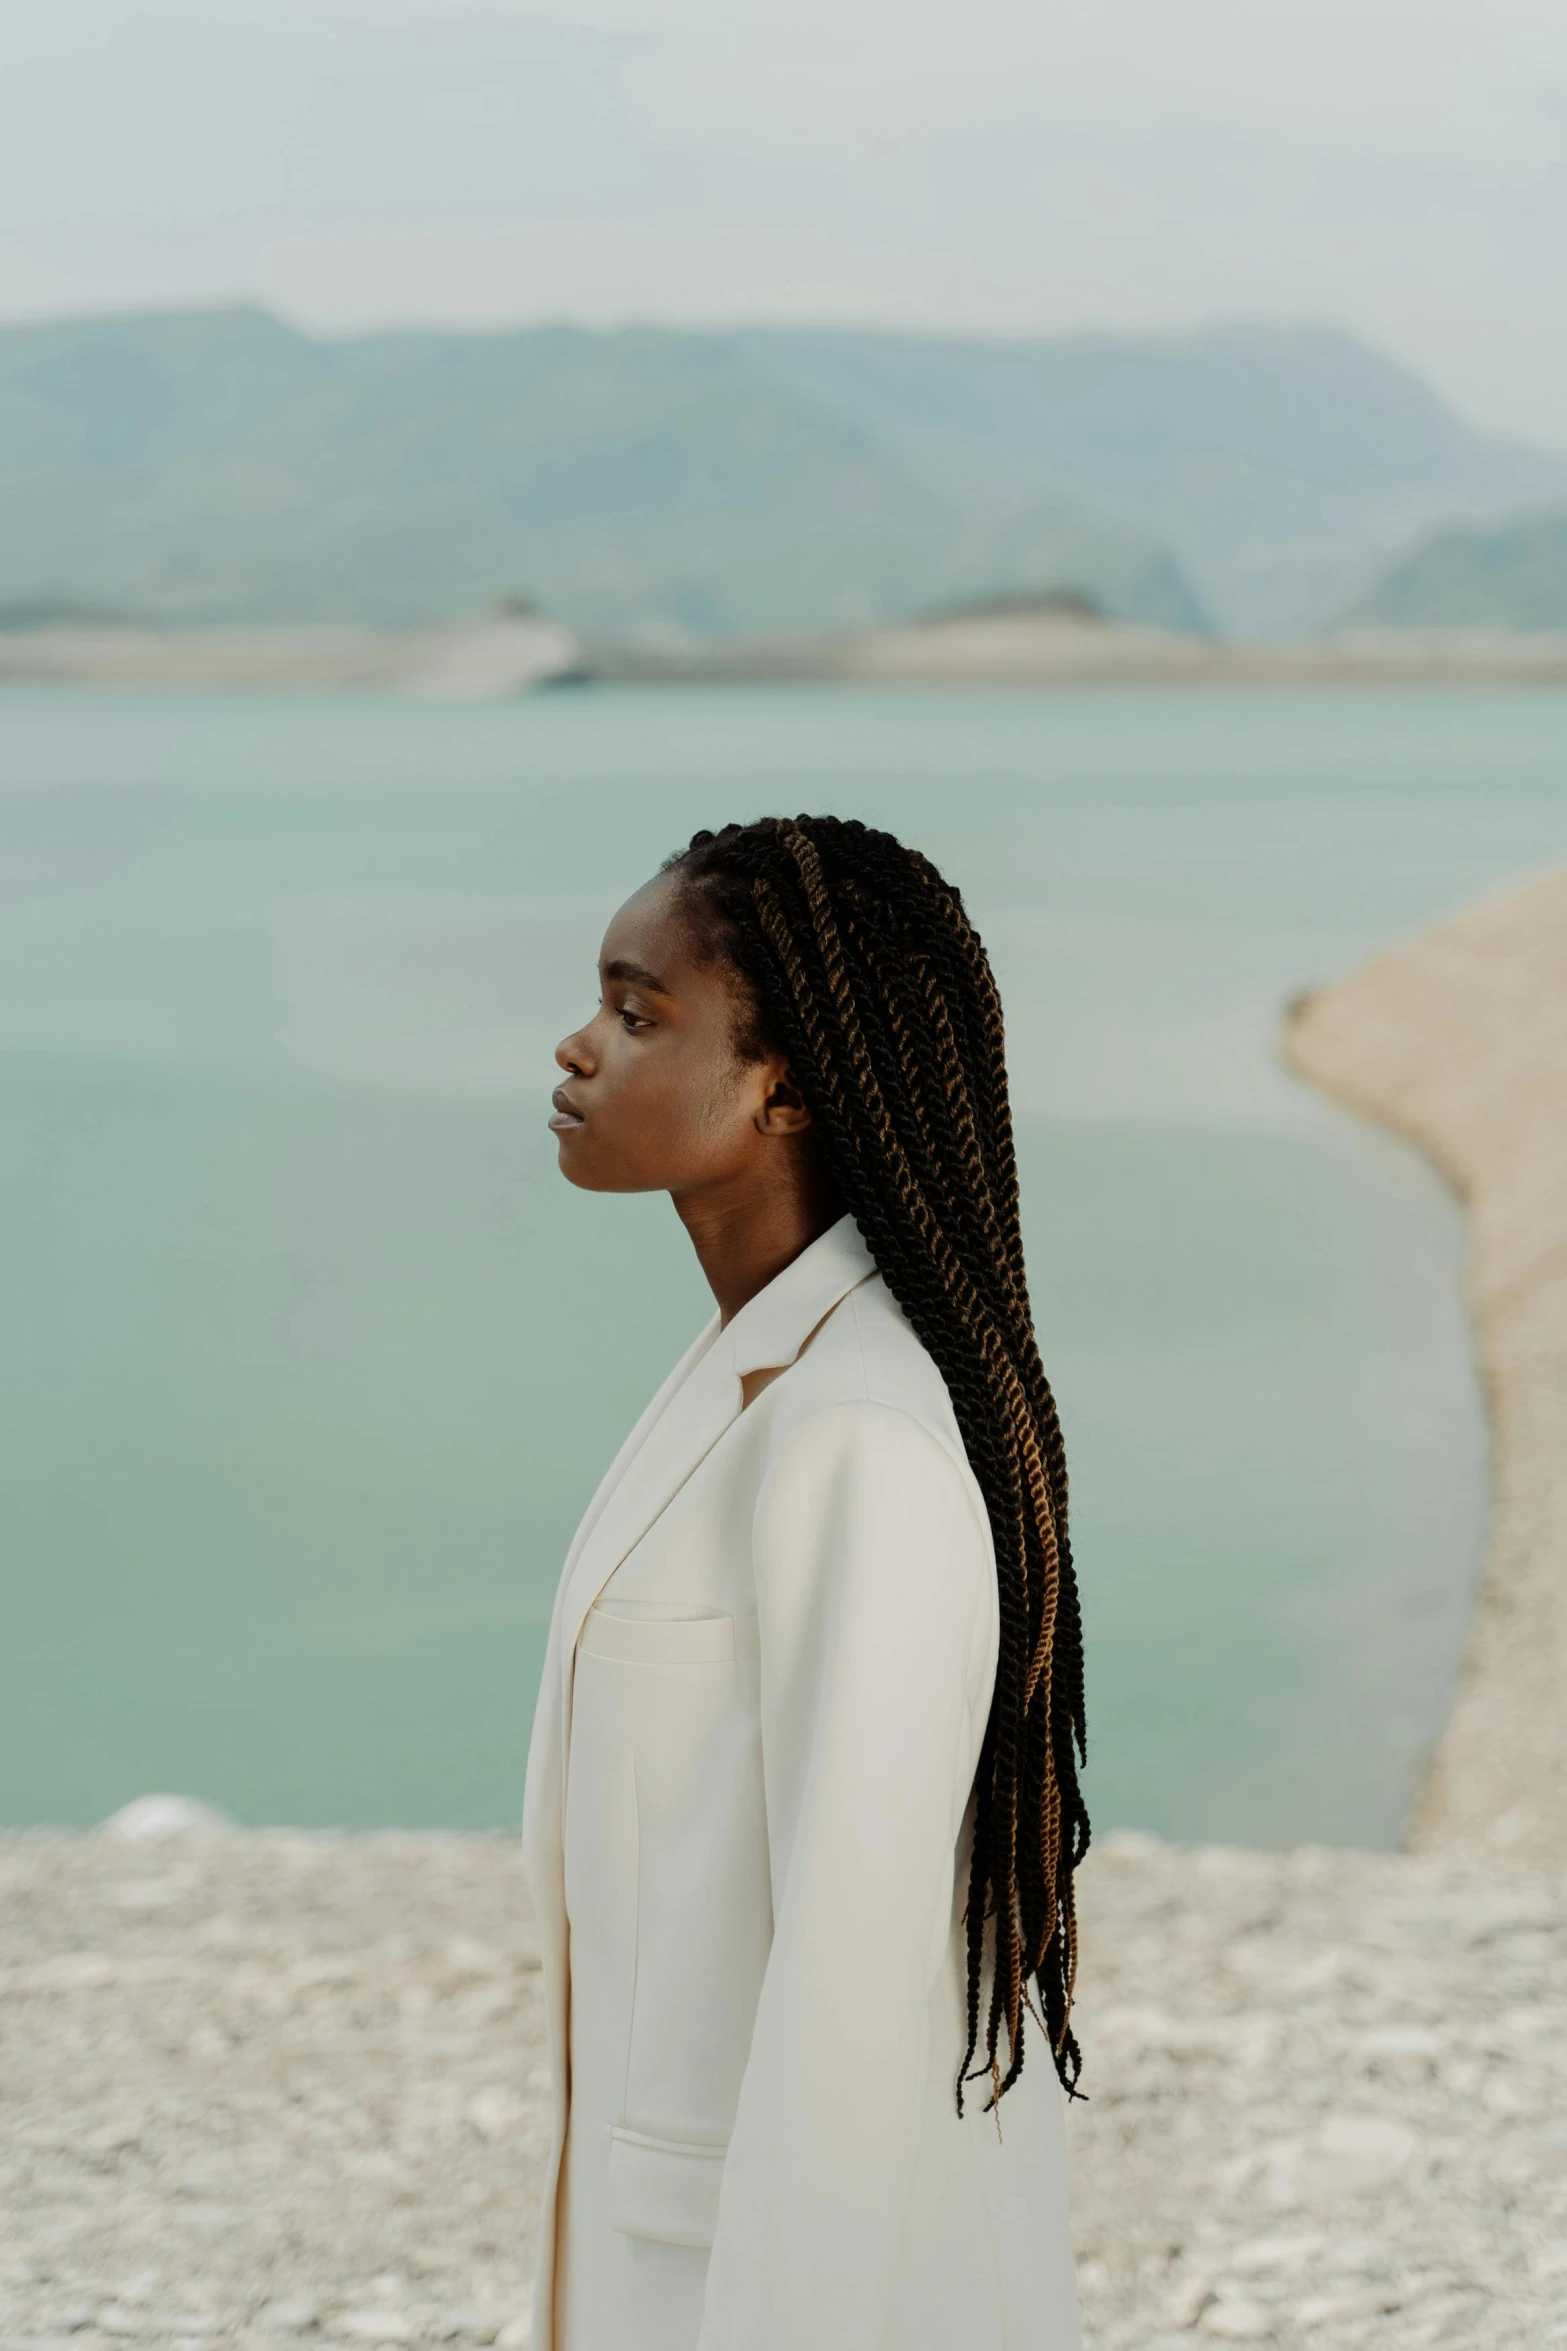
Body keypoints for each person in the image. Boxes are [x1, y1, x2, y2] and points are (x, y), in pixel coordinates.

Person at [521, 815, 1088, 2351]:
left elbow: (854, 1972)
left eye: (640, 1015)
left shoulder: (857, 1437)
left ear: (783, 1082)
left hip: (777, 2279)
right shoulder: (751, 1373)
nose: (577, 1047)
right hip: (660, 2242)